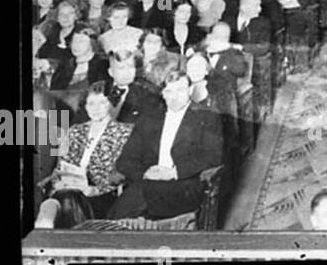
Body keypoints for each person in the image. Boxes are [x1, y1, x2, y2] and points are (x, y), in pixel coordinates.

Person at [109, 74, 224, 221]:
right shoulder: (149, 120)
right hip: (148, 184)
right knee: (137, 196)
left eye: (180, 90)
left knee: (138, 195)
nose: (174, 97)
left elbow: (213, 156)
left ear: (190, 90)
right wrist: (146, 173)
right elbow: (124, 161)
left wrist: (173, 173)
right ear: (162, 94)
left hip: (185, 187)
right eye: (169, 92)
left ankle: (106, 233)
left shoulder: (207, 118)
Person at [45, 88, 134, 218]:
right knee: (62, 198)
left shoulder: (124, 132)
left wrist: (94, 190)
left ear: (111, 104)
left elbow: (124, 173)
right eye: (91, 103)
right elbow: (60, 166)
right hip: (69, 188)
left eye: (102, 103)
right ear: (85, 106)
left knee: (66, 201)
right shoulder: (74, 131)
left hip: (102, 194)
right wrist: (58, 183)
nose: (96, 108)